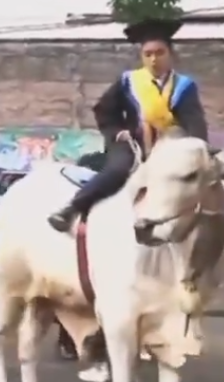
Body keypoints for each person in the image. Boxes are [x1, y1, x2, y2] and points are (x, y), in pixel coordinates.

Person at [48, 17, 208, 232]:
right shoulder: (128, 81)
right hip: (131, 141)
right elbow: (104, 110)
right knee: (119, 169)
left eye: (159, 53)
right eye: (148, 54)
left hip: (169, 144)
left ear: (171, 54)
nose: (153, 60)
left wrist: (198, 147)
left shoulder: (184, 86)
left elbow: (194, 119)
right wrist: (117, 132)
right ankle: (72, 208)